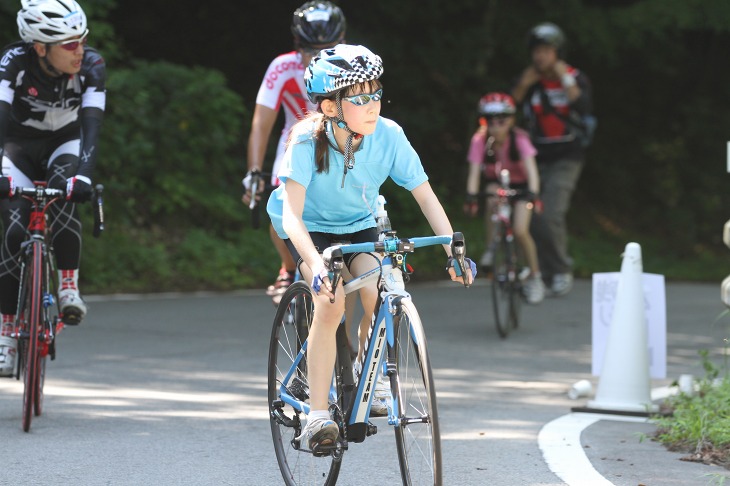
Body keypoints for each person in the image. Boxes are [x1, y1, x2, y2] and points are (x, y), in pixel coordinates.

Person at [266, 44, 475, 450]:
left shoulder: (389, 135)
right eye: (359, 97)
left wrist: (454, 248)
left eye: (376, 92)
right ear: (330, 108)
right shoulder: (306, 141)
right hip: (311, 230)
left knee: (381, 287)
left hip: (361, 224)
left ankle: (369, 373)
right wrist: (316, 264)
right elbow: (291, 218)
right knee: (329, 303)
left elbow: (424, 194)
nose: (372, 104)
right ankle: (318, 413)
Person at [0, 0, 106, 377]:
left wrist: (86, 175)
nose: (80, 50)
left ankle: (68, 286)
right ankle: (7, 332)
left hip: (65, 144)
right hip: (17, 147)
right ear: (40, 48)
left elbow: (92, 124)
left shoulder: (91, 65)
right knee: (14, 230)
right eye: (69, 44)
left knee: (66, 192)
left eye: (81, 40)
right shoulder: (13, 61)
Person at [242, 1, 346, 298]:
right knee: (280, 207)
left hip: (342, 144)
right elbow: (261, 124)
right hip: (295, 143)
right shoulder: (283, 67)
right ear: (297, 44)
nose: (319, 58)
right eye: (311, 51)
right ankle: (289, 267)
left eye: (328, 49)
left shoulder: (354, 61)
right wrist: (254, 172)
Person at [511, 22, 593, 296]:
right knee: (533, 216)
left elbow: (582, 106)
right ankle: (543, 272)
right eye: (536, 51)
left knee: (552, 214)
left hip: (568, 156)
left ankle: (560, 270)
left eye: (546, 50)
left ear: (557, 52)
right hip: (536, 157)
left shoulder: (575, 77)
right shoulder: (531, 82)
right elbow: (509, 110)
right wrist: (523, 84)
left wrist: (565, 78)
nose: (540, 56)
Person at [464, 92, 545, 304]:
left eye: (502, 120)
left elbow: (532, 172)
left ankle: (535, 277)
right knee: (491, 197)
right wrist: (471, 197)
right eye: (489, 121)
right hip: (496, 184)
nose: (496, 126)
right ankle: (491, 247)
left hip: (522, 187)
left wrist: (534, 195)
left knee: (520, 230)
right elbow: (474, 174)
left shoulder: (519, 139)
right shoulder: (480, 140)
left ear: (511, 120)